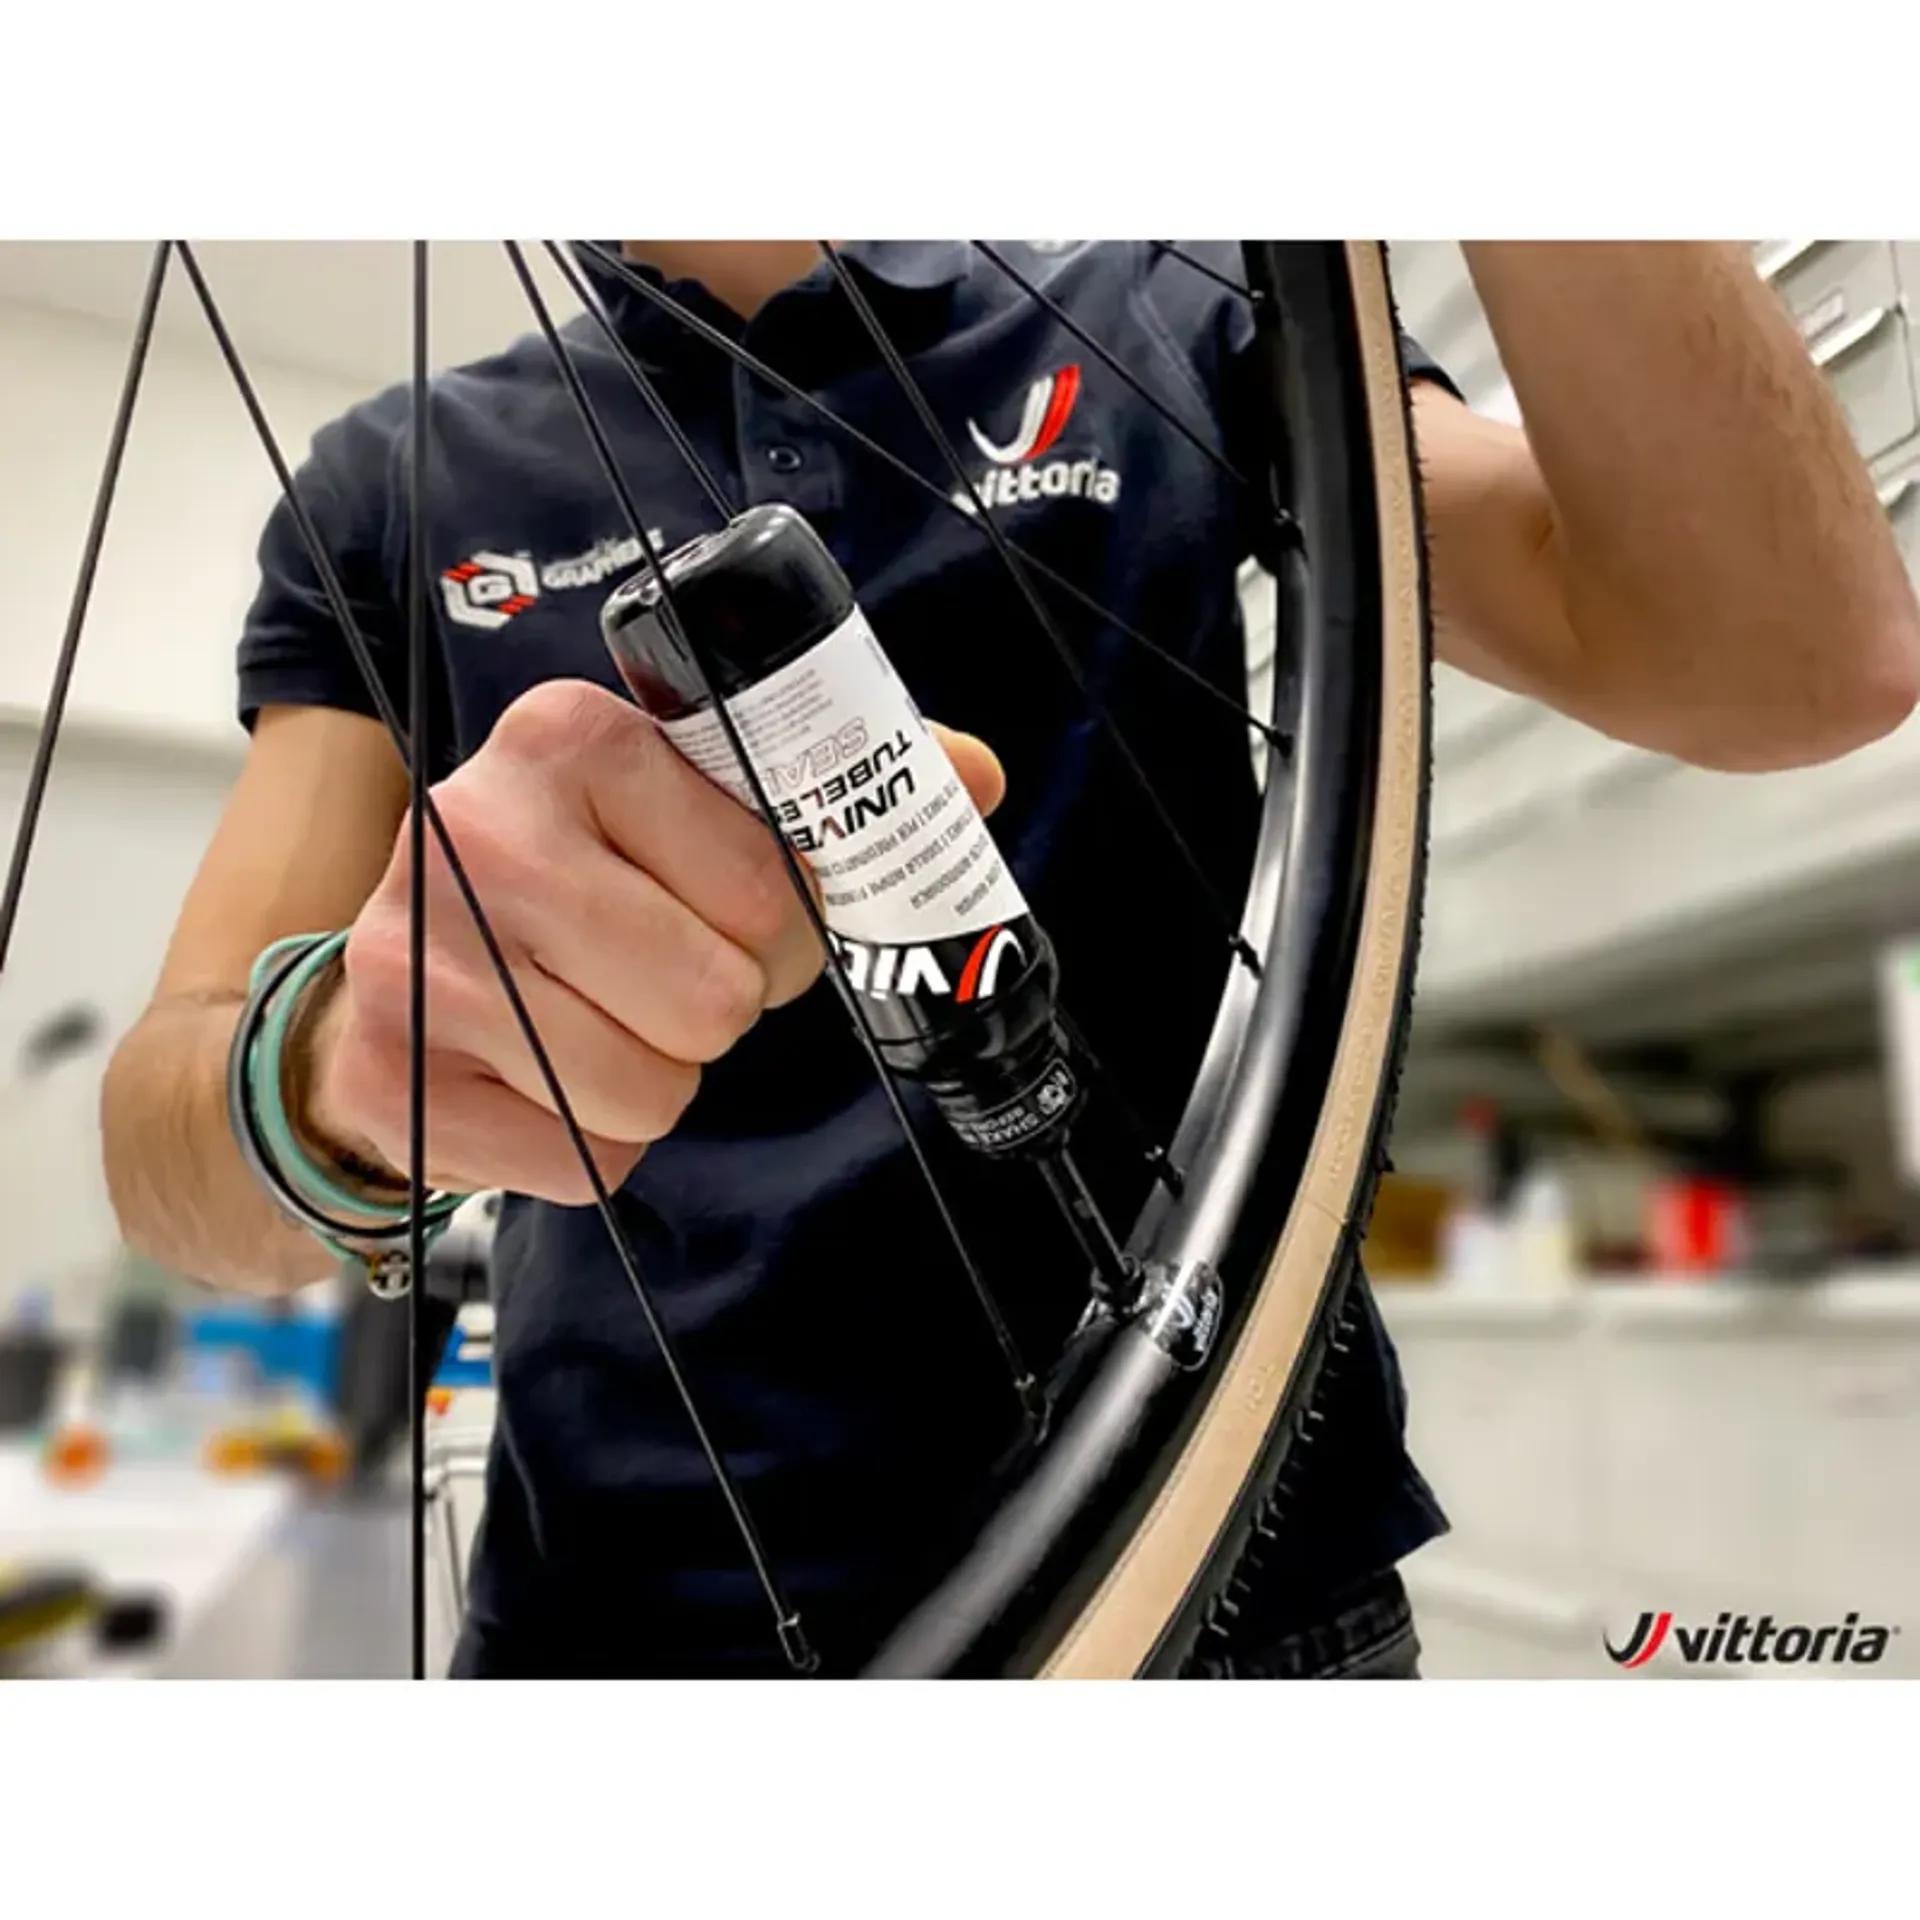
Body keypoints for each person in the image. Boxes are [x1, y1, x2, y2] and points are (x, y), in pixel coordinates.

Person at [101, 241, 1920, 1678]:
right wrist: (336, 1065)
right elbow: (166, 1143)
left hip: (1228, 1569)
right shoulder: (392, 478)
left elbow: (1789, 662)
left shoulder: (1174, 298)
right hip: (632, 1631)